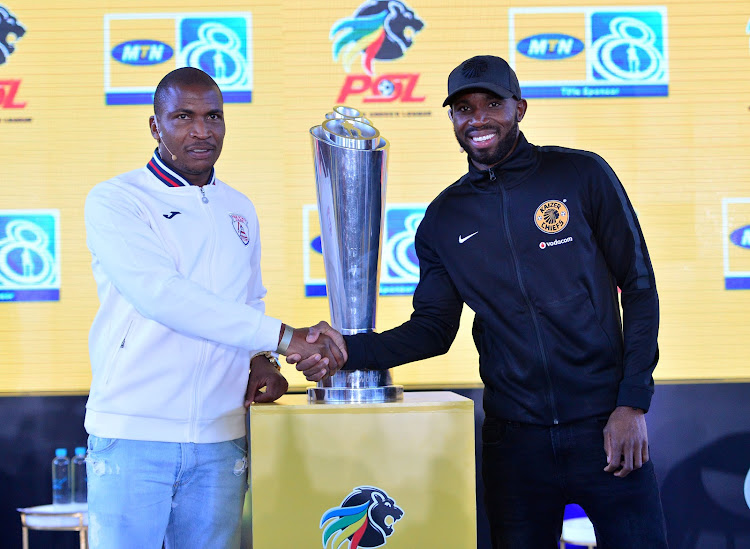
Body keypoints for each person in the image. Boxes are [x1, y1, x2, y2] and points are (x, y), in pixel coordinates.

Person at [296, 55, 669, 548]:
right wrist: (348, 349)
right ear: (451, 118)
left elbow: (639, 288)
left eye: (493, 104)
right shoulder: (443, 220)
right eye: (464, 108)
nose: (478, 119)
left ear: (520, 108)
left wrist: (632, 405)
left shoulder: (581, 174)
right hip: (515, 444)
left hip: (606, 428)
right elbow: (432, 329)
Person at [83, 67, 345, 549]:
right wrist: (287, 338)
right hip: (135, 434)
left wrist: (258, 360)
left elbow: (245, 303)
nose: (201, 131)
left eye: (213, 117)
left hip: (221, 438)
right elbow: (162, 294)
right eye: (183, 116)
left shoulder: (239, 207)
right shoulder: (117, 200)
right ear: (155, 125)